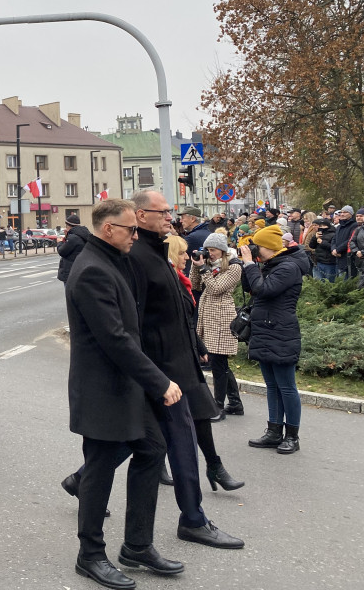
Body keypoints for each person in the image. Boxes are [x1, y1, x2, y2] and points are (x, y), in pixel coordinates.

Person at [63, 198, 183, 589]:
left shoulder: (114, 260)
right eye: (131, 229)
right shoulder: (92, 270)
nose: (136, 234)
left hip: (124, 385)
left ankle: (136, 545)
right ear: (108, 229)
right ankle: (90, 555)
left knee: (151, 450)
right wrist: (159, 382)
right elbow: (114, 338)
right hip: (102, 388)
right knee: (97, 471)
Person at [126, 190, 244, 548]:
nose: (170, 217)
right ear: (139, 215)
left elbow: (178, 312)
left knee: (177, 439)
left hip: (180, 363)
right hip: (163, 370)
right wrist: (153, 374)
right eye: (162, 212)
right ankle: (190, 519)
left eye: (170, 211)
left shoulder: (158, 251)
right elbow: (135, 320)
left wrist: (198, 349)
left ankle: (192, 515)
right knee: (169, 443)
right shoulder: (137, 257)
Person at [242, 224, 310, 454]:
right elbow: (251, 288)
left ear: (269, 247)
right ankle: (273, 431)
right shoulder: (272, 265)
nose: (255, 250)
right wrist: (248, 265)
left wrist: (251, 265)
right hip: (265, 329)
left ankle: (292, 436)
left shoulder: (288, 267)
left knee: (286, 386)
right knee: (272, 385)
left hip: (281, 331)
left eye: (257, 246)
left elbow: (264, 290)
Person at [190, 234, 245, 422]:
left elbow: (215, 288)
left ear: (222, 250)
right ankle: (236, 403)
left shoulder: (234, 266)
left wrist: (204, 268)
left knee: (218, 363)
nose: (210, 254)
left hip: (222, 317)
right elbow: (195, 286)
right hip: (208, 316)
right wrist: (197, 265)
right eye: (208, 250)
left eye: (213, 250)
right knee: (219, 363)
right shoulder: (209, 265)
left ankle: (218, 406)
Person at [57, 213, 90, 283]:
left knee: (70, 292)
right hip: (81, 269)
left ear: (68, 226)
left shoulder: (73, 238)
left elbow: (62, 251)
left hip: (70, 271)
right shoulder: (85, 234)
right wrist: (67, 236)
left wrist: (59, 242)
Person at [331, 205, 357, 279]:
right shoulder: (339, 226)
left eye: (345, 212)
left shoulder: (354, 225)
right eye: (341, 212)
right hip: (338, 259)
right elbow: (334, 239)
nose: (342, 214)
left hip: (348, 258)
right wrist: (333, 249)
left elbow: (350, 240)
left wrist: (338, 250)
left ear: (351, 214)